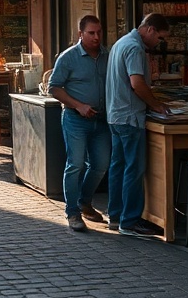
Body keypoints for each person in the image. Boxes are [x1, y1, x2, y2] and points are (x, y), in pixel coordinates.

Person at [106, 13, 170, 238]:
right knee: (134, 169)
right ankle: (130, 221)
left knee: (118, 167)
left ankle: (115, 216)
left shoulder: (121, 42)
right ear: (151, 30)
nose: (159, 43)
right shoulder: (134, 47)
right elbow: (137, 83)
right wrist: (155, 105)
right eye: (160, 38)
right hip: (130, 116)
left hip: (115, 115)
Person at [48, 15, 111, 233]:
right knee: (75, 164)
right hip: (76, 120)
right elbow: (54, 88)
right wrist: (78, 105)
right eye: (91, 33)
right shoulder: (68, 57)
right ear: (80, 34)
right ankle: (72, 212)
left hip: (101, 120)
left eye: (99, 32)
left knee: (101, 164)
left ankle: (85, 202)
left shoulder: (107, 55)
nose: (96, 37)